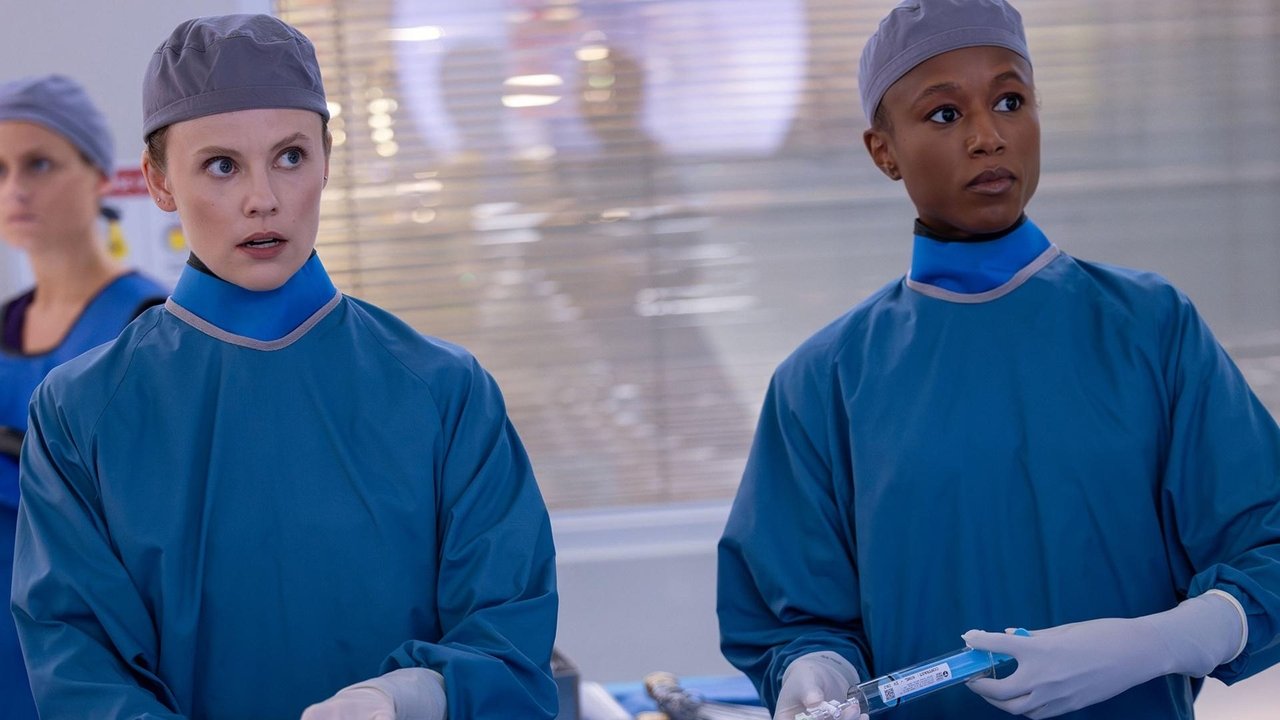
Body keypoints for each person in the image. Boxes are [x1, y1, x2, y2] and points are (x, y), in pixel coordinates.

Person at [716, 1, 1280, 719]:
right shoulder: (823, 381)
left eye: (1010, 101)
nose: (988, 137)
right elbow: (791, 615)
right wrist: (814, 668)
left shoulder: (1150, 330)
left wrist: (1162, 641)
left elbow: (1269, 545)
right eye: (945, 114)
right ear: (883, 151)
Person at [11, 14, 558, 720]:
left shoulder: (446, 393)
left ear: (327, 159)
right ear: (158, 181)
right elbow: (78, 664)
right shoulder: (80, 412)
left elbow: (507, 632)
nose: (262, 198)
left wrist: (407, 696)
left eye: (290, 156)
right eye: (222, 165)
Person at [0, 73, 168, 720]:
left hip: (94, 658)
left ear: (99, 175)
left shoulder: (149, 327)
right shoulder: (7, 324)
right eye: (0, 170)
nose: (15, 189)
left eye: (39, 164)